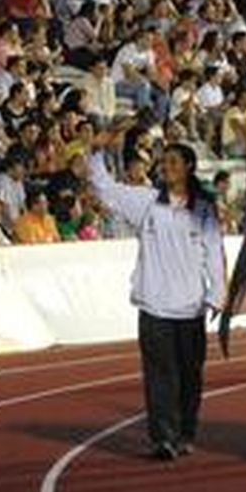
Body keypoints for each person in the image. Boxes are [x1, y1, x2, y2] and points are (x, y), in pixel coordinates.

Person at [87, 130, 225, 462]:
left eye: (174, 162)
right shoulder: (146, 202)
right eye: (163, 162)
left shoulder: (204, 210)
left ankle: (185, 432)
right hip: (154, 307)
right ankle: (163, 437)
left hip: (191, 309)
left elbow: (215, 253)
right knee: (159, 376)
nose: (166, 167)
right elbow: (105, 189)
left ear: (189, 167)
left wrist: (217, 296)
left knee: (190, 377)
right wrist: (96, 152)